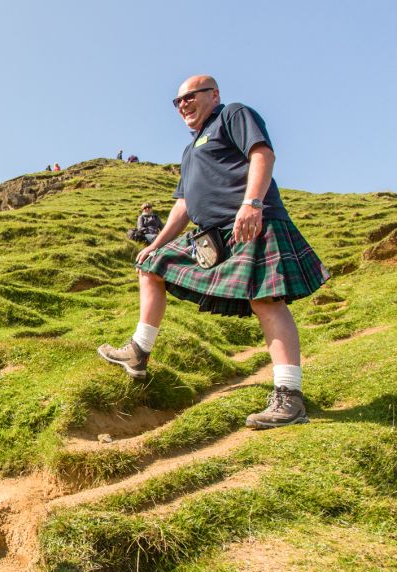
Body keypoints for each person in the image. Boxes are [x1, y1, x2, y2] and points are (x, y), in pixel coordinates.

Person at [97, 75, 330, 429]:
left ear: (214, 94)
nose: (183, 105)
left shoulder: (233, 115)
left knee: (266, 302)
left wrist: (252, 203)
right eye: (177, 102)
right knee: (152, 267)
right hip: (211, 238)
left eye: (191, 96)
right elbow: (184, 205)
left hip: (250, 223)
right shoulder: (190, 151)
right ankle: (138, 351)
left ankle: (290, 397)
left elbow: (262, 153)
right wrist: (156, 244)